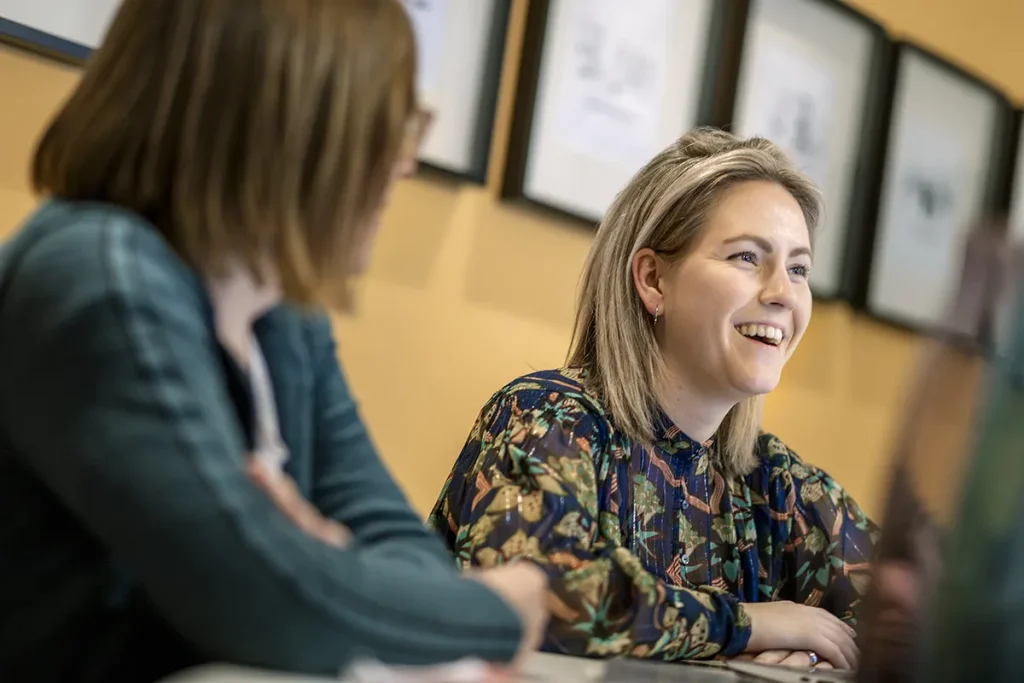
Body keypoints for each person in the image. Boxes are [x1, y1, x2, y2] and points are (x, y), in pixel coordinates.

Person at [0, 1, 547, 681]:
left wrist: (322, 568)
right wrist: (493, 608)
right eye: (391, 123)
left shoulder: (284, 314)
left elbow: (400, 551)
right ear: (290, 122)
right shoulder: (99, 275)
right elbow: (264, 603)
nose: (405, 163)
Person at [429, 128, 880, 671]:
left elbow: (926, 616)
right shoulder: (547, 417)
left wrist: (815, 648)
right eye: (745, 257)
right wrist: (749, 624)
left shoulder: (772, 480)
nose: (783, 293)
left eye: (798, 269)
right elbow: (541, 598)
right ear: (652, 280)